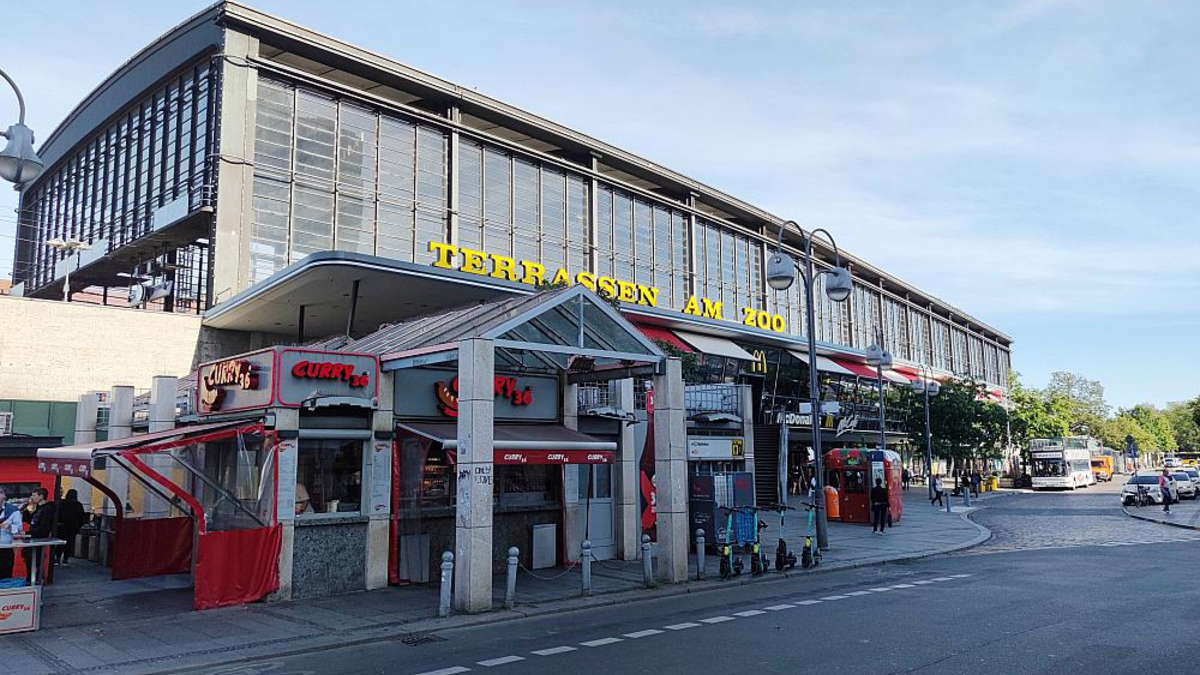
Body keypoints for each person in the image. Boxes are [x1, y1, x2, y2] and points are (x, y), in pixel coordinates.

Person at [22, 487, 56, 583]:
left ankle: (35, 580)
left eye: (34, 495)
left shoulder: (48, 509)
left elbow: (43, 528)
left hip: (39, 539)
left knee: (36, 561)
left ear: (41, 496)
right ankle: (30, 580)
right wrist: (27, 507)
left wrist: (28, 533)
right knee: (29, 561)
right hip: (32, 538)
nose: (32, 497)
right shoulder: (38, 508)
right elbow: (30, 520)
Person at [55, 489, 87, 565]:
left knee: (60, 543)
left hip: (61, 526)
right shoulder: (78, 505)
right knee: (69, 544)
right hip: (72, 528)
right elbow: (81, 517)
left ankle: (57, 558)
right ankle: (65, 560)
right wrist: (77, 527)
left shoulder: (62, 503)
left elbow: (57, 514)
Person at [0, 487, 22, 579]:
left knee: (5, 575)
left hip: (6, 548)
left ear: (4, 496)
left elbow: (19, 528)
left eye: (0, 493)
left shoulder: (13, 510)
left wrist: (10, 527)